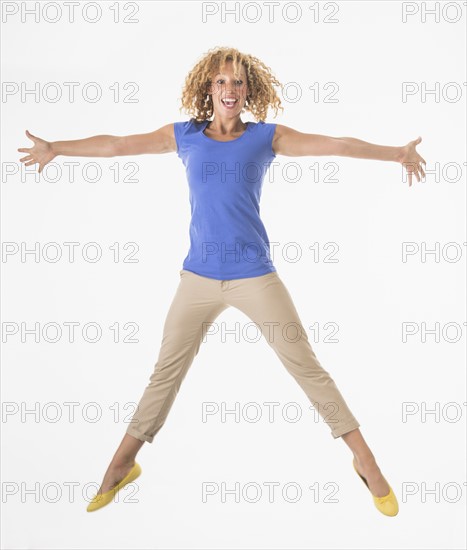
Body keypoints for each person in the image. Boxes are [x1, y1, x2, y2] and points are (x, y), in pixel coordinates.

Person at [18, 46, 426, 516]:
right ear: (207, 89)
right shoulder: (186, 135)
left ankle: (365, 460)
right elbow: (116, 145)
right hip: (198, 277)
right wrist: (56, 148)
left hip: (254, 276)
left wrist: (397, 153)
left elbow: (336, 144)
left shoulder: (266, 138)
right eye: (220, 82)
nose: (228, 90)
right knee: (164, 374)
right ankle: (121, 466)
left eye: (236, 82)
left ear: (248, 90)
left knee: (305, 366)